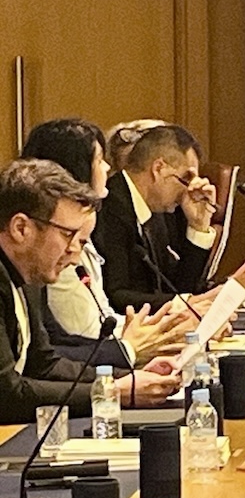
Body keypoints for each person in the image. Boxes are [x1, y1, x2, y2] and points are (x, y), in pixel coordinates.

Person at [0, 159, 180, 424]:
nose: (75, 254)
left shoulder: (29, 275)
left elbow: (45, 365)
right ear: (21, 228)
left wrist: (127, 378)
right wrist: (112, 393)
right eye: (67, 235)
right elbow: (6, 395)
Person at [22, 118, 190, 365]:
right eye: (99, 160)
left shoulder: (85, 230)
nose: (108, 167)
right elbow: (80, 335)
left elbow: (57, 344)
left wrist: (156, 333)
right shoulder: (55, 246)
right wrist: (134, 347)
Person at [93, 124, 245, 311]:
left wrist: (198, 227)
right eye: (186, 178)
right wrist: (194, 301)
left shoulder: (157, 212)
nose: (190, 190)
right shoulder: (109, 207)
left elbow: (177, 287)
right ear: (159, 169)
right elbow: (116, 296)